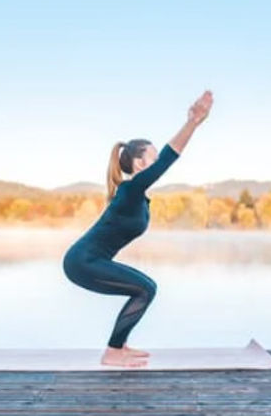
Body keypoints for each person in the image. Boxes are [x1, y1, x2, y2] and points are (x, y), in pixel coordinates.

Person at [62, 90, 214, 367]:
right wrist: (192, 123)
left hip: (87, 260)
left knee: (146, 288)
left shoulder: (136, 195)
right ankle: (112, 352)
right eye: (153, 160)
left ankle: (118, 346)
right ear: (140, 164)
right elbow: (170, 156)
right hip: (81, 261)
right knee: (145, 289)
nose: (157, 165)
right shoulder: (131, 188)